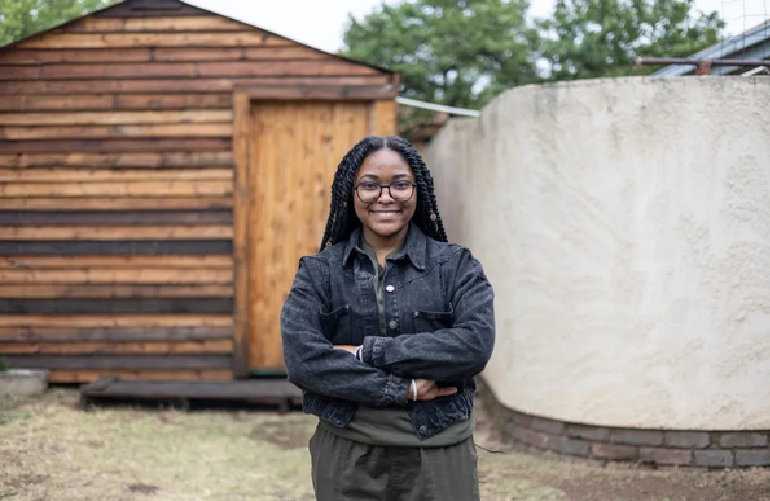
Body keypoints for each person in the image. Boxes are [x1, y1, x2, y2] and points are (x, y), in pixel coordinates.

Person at [280, 135, 495, 501]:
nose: (385, 197)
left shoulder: (456, 266)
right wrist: (406, 389)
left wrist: (366, 353)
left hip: (439, 453)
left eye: (399, 184)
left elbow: (473, 346)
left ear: (418, 190)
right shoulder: (320, 272)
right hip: (348, 451)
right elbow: (303, 359)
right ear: (352, 192)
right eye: (369, 185)